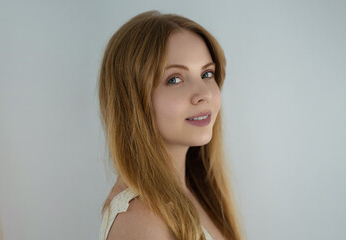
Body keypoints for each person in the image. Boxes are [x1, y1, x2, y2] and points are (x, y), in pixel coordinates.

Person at [98, 10, 243, 240]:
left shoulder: (195, 192)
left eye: (207, 73)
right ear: (132, 99)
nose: (203, 94)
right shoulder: (142, 219)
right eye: (175, 79)